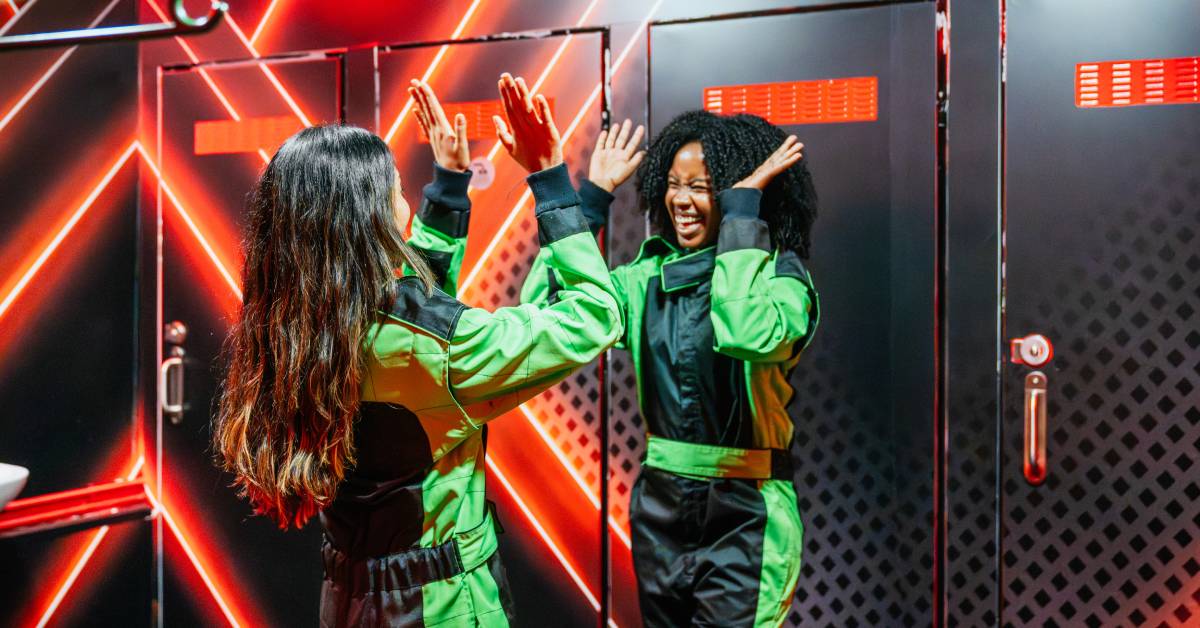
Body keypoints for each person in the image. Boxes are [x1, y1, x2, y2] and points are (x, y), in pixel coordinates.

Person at [213, 74, 621, 628]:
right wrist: (550, 178)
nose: (405, 200)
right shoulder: (438, 348)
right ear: (371, 218)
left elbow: (410, 305)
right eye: (397, 190)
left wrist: (450, 187)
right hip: (441, 606)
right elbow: (595, 316)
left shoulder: (297, 328)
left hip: (348, 599)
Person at [522, 110, 819, 626]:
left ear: (733, 193)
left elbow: (744, 331)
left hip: (747, 516)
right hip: (660, 508)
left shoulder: (779, 277)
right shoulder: (644, 279)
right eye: (673, 185)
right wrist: (590, 198)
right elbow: (546, 310)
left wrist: (743, 213)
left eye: (701, 188)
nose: (680, 201)